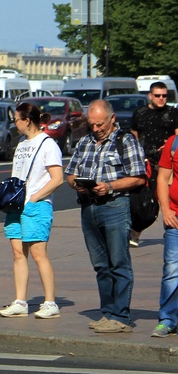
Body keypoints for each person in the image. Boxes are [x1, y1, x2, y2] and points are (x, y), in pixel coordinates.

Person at [64, 99, 148, 333]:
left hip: (115, 206)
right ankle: (108, 312)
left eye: (100, 124)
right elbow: (70, 174)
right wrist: (77, 185)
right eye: (92, 124)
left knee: (119, 262)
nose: (96, 129)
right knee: (101, 265)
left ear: (112, 119)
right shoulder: (85, 141)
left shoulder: (126, 141)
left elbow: (139, 177)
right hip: (88, 207)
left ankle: (121, 317)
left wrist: (109, 186)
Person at [0, 102, 65, 319]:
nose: (14, 123)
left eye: (16, 119)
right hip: (16, 205)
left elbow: (57, 179)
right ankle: (20, 301)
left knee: (38, 254)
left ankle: (50, 302)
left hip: (37, 205)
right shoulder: (21, 143)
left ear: (27, 120)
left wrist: (35, 197)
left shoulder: (47, 144)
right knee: (18, 254)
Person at [130, 81, 178, 246]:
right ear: (150, 96)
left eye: (164, 96)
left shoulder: (173, 113)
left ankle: (171, 229)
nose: (161, 99)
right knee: (144, 200)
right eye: (157, 95)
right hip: (145, 163)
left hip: (167, 165)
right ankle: (135, 232)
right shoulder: (140, 113)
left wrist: (170, 144)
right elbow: (134, 133)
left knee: (166, 197)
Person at [152, 131, 178, 337]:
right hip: (175, 219)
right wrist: (166, 210)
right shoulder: (173, 142)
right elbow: (162, 177)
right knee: (171, 270)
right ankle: (167, 319)